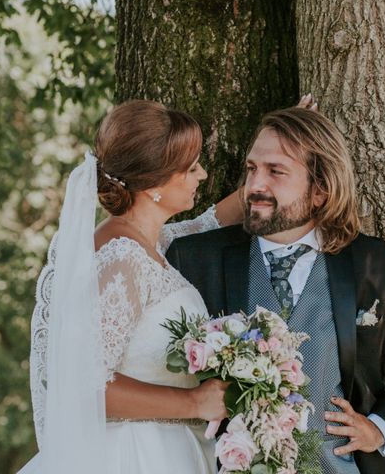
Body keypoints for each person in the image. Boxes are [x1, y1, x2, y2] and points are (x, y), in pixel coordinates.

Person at [166, 107, 385, 474]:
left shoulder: (367, 261)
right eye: (252, 168)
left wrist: (380, 430)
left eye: (276, 171)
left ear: (320, 191)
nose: (254, 186)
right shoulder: (195, 258)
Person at [19, 99, 243, 473]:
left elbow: (209, 222)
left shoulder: (142, 242)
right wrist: (194, 403)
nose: (202, 175)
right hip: (133, 456)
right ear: (155, 183)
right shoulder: (124, 258)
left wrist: (283, 150)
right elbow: (87, 386)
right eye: (190, 168)